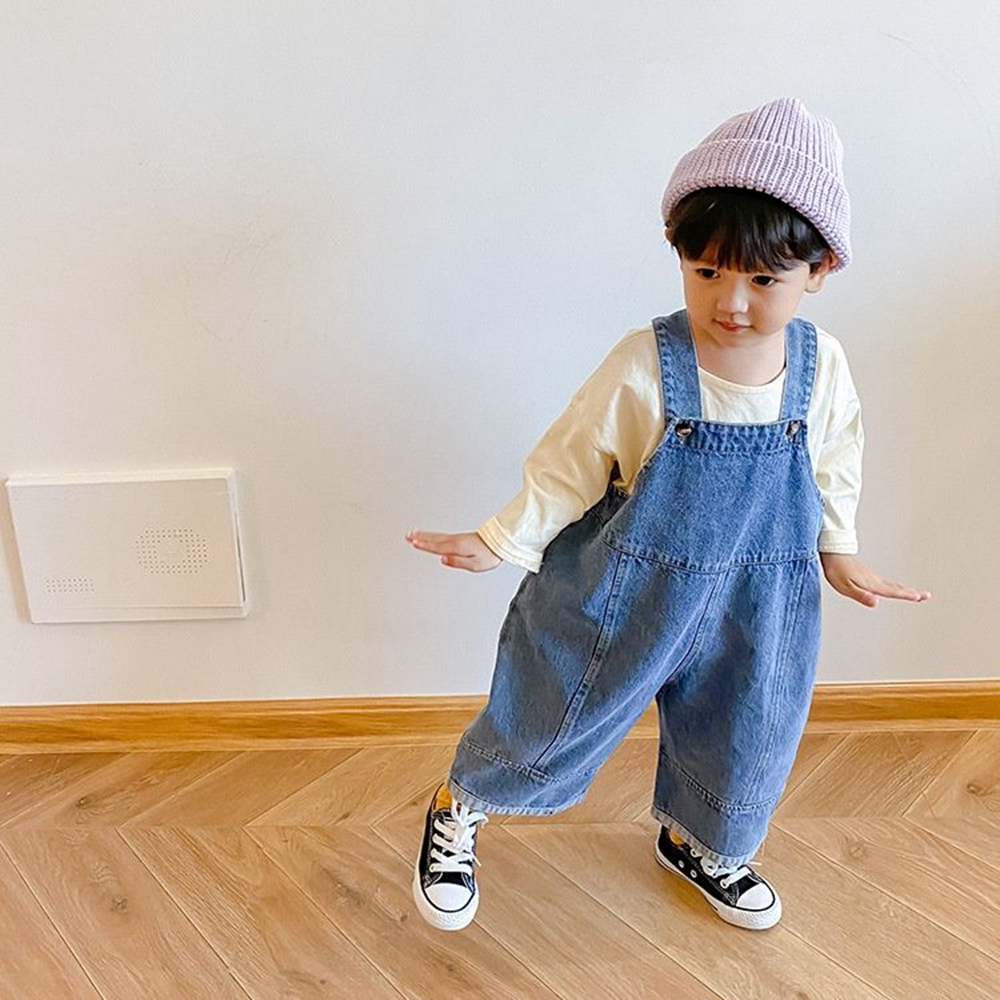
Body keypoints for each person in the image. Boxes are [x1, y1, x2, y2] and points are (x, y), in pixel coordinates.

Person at [405, 97, 932, 933]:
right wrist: (503, 538)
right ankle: (459, 805)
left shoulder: (820, 365)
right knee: (555, 710)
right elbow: (573, 459)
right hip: (630, 588)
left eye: (763, 280)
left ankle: (701, 842)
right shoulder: (648, 363)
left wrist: (839, 549)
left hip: (760, 594)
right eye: (708, 272)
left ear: (820, 269)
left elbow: (835, 457)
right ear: (678, 253)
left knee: (749, 727)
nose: (732, 302)